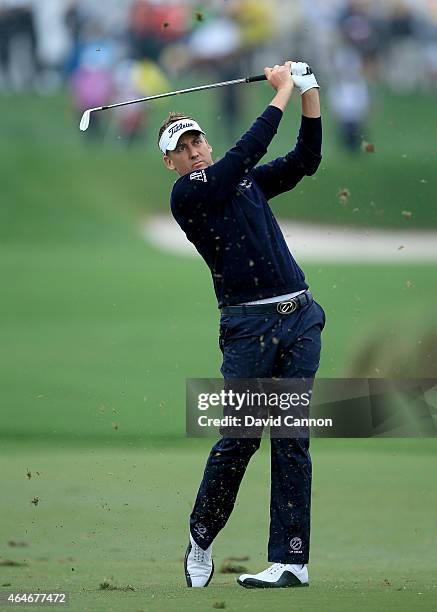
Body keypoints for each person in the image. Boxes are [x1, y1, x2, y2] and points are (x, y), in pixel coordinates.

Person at [158, 61, 325, 589]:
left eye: (197, 141)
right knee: (241, 439)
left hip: (299, 316)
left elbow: (305, 160)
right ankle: (201, 537)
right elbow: (239, 160)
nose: (194, 150)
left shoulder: (243, 179)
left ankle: (291, 561)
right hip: (249, 331)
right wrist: (280, 92)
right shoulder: (189, 196)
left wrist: (309, 92)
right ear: (170, 162)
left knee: (292, 437)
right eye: (182, 148)